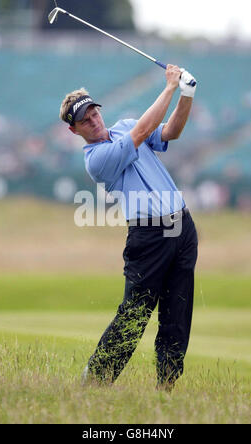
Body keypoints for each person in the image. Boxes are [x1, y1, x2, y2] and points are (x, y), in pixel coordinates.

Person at [60, 65, 198, 391]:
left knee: (178, 310)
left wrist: (186, 95)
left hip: (182, 226)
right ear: (75, 130)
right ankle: (95, 382)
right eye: (85, 120)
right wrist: (169, 87)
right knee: (135, 315)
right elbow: (142, 133)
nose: (94, 120)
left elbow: (169, 132)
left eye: (94, 112)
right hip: (148, 237)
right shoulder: (96, 159)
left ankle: (167, 387)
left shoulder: (123, 125)